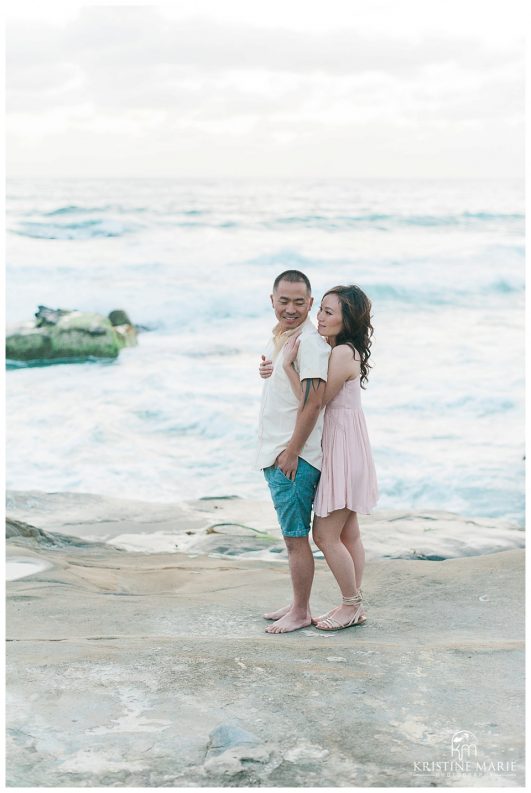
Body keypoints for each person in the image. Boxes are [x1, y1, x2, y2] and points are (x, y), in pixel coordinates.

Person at [261, 285, 378, 631]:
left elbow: (313, 401)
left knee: (325, 535)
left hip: (342, 450)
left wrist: (287, 367)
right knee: (348, 533)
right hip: (348, 448)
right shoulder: (342, 350)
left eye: (329, 312)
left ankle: (351, 605)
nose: (320, 317)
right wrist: (276, 368)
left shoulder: (341, 353)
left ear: (348, 319)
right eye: (322, 310)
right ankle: (351, 602)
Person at [256, 270, 330, 634]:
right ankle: (297, 602)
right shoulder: (285, 338)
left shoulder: (311, 345)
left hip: (292, 456)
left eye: (299, 302)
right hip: (280, 451)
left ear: (310, 304)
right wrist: (270, 368)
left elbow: (313, 404)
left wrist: (291, 452)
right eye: (283, 301)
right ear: (272, 300)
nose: (290, 308)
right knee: (291, 536)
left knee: (295, 537)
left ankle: (301, 611)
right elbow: (289, 391)